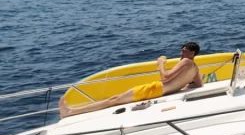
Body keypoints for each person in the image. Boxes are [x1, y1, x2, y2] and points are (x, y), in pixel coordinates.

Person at [59, 42, 204, 118]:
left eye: (184, 50)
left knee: (113, 100)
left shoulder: (186, 61)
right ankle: (72, 111)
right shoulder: (195, 69)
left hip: (154, 89)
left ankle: (71, 112)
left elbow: (165, 77)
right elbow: (199, 84)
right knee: (114, 100)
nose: (181, 53)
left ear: (192, 53)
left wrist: (160, 65)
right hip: (160, 92)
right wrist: (181, 86)